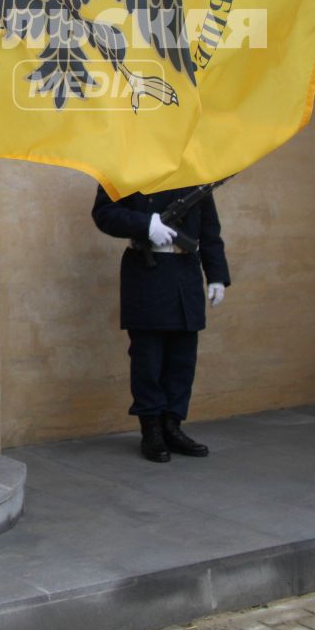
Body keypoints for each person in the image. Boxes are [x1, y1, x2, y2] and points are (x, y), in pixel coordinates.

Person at [91, 182, 230, 463]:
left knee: (183, 359)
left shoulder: (193, 172)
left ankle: (173, 425)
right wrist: (145, 224)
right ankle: (151, 429)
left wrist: (216, 274)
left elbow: (209, 229)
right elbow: (104, 213)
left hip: (185, 271)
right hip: (147, 271)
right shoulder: (126, 167)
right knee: (148, 359)